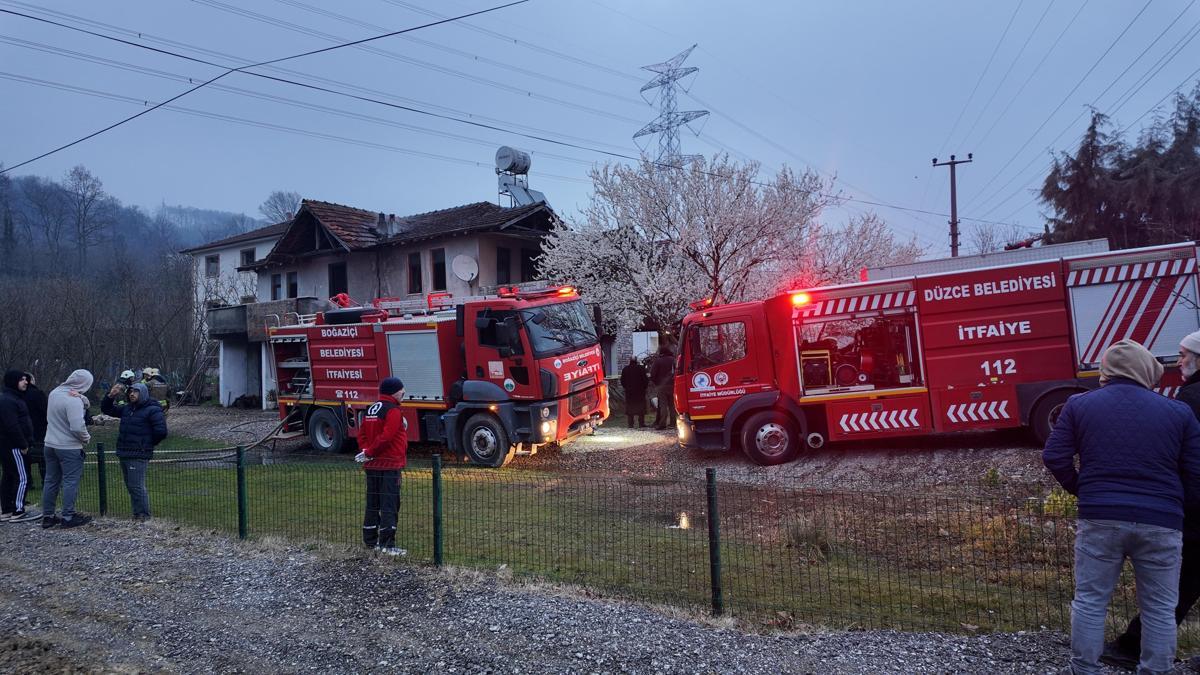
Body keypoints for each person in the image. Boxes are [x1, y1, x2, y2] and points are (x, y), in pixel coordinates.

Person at [1043, 339, 1200, 675]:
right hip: (1162, 521)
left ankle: (1084, 669)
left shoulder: (1079, 405)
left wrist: (1082, 489)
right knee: (1160, 607)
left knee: (1090, 600)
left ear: (1109, 370)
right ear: (1147, 371)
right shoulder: (1179, 412)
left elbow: (1054, 456)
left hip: (1100, 517)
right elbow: (1196, 473)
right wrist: (1176, 507)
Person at [1102, 331, 1200, 670]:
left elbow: (1182, 456)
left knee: (1180, 584)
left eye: (1184, 355)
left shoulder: (1191, 399)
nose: (1179, 361)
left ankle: (1133, 647)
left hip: (1191, 509)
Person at [355, 377, 408, 556]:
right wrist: (371, 452)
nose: (403, 392)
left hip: (372, 465)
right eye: (401, 389)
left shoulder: (372, 409)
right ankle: (387, 544)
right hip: (389, 464)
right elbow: (388, 436)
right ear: (393, 392)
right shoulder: (393, 410)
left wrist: (367, 452)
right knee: (389, 503)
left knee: (373, 502)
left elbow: (361, 434)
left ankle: (370, 540)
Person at [102, 382, 167, 521]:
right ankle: (137, 514)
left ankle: (143, 516)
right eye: (130, 392)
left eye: (135, 391)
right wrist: (110, 396)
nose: (132, 394)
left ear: (143, 393)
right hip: (124, 452)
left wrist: (146, 444)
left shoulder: (152, 410)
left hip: (139, 453)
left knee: (136, 486)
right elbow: (107, 409)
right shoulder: (127, 409)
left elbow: (161, 431)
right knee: (131, 486)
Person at [43, 369, 94, 529]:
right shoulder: (73, 401)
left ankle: (48, 516)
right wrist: (86, 438)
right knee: (70, 481)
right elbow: (77, 426)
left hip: (49, 444)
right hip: (69, 447)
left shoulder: (54, 393)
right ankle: (68, 516)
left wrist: (83, 399)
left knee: (51, 480)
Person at [0, 369, 35, 522]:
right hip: (14, 445)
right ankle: (18, 509)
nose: (26, 382)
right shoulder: (9, 401)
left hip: (7, 445)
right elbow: (12, 425)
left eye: (26, 379)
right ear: (13, 381)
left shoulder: (12, 398)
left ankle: (7, 509)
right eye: (22, 379)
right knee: (22, 477)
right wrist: (23, 444)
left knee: (8, 475)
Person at [20, 372, 48, 490]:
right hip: (40, 430)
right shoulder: (38, 394)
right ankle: (45, 481)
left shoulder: (17, 395)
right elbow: (46, 412)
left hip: (23, 431)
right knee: (43, 458)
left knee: (24, 459)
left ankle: (28, 483)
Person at [649, 345, 676, 430]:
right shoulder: (673, 360)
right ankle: (673, 423)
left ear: (661, 352)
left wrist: (656, 383)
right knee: (672, 405)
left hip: (661, 386)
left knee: (663, 405)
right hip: (672, 385)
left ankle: (662, 423)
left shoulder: (658, 361)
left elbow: (652, 374)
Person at [620, 358, 650, 428]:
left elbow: (622, 381)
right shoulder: (641, 368)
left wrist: (626, 387)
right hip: (640, 391)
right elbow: (645, 380)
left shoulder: (625, 369)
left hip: (629, 392)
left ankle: (630, 424)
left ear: (630, 361)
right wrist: (644, 388)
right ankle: (641, 423)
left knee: (630, 407)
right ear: (636, 361)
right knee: (641, 407)